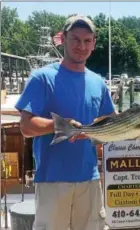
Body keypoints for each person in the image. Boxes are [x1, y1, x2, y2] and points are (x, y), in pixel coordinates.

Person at [16, 15, 116, 230]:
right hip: (52, 179)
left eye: (87, 40)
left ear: (94, 43)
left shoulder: (98, 83)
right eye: (75, 39)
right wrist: (61, 126)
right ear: (62, 39)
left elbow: (110, 125)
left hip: (90, 179)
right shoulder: (42, 78)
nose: (81, 46)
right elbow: (25, 127)